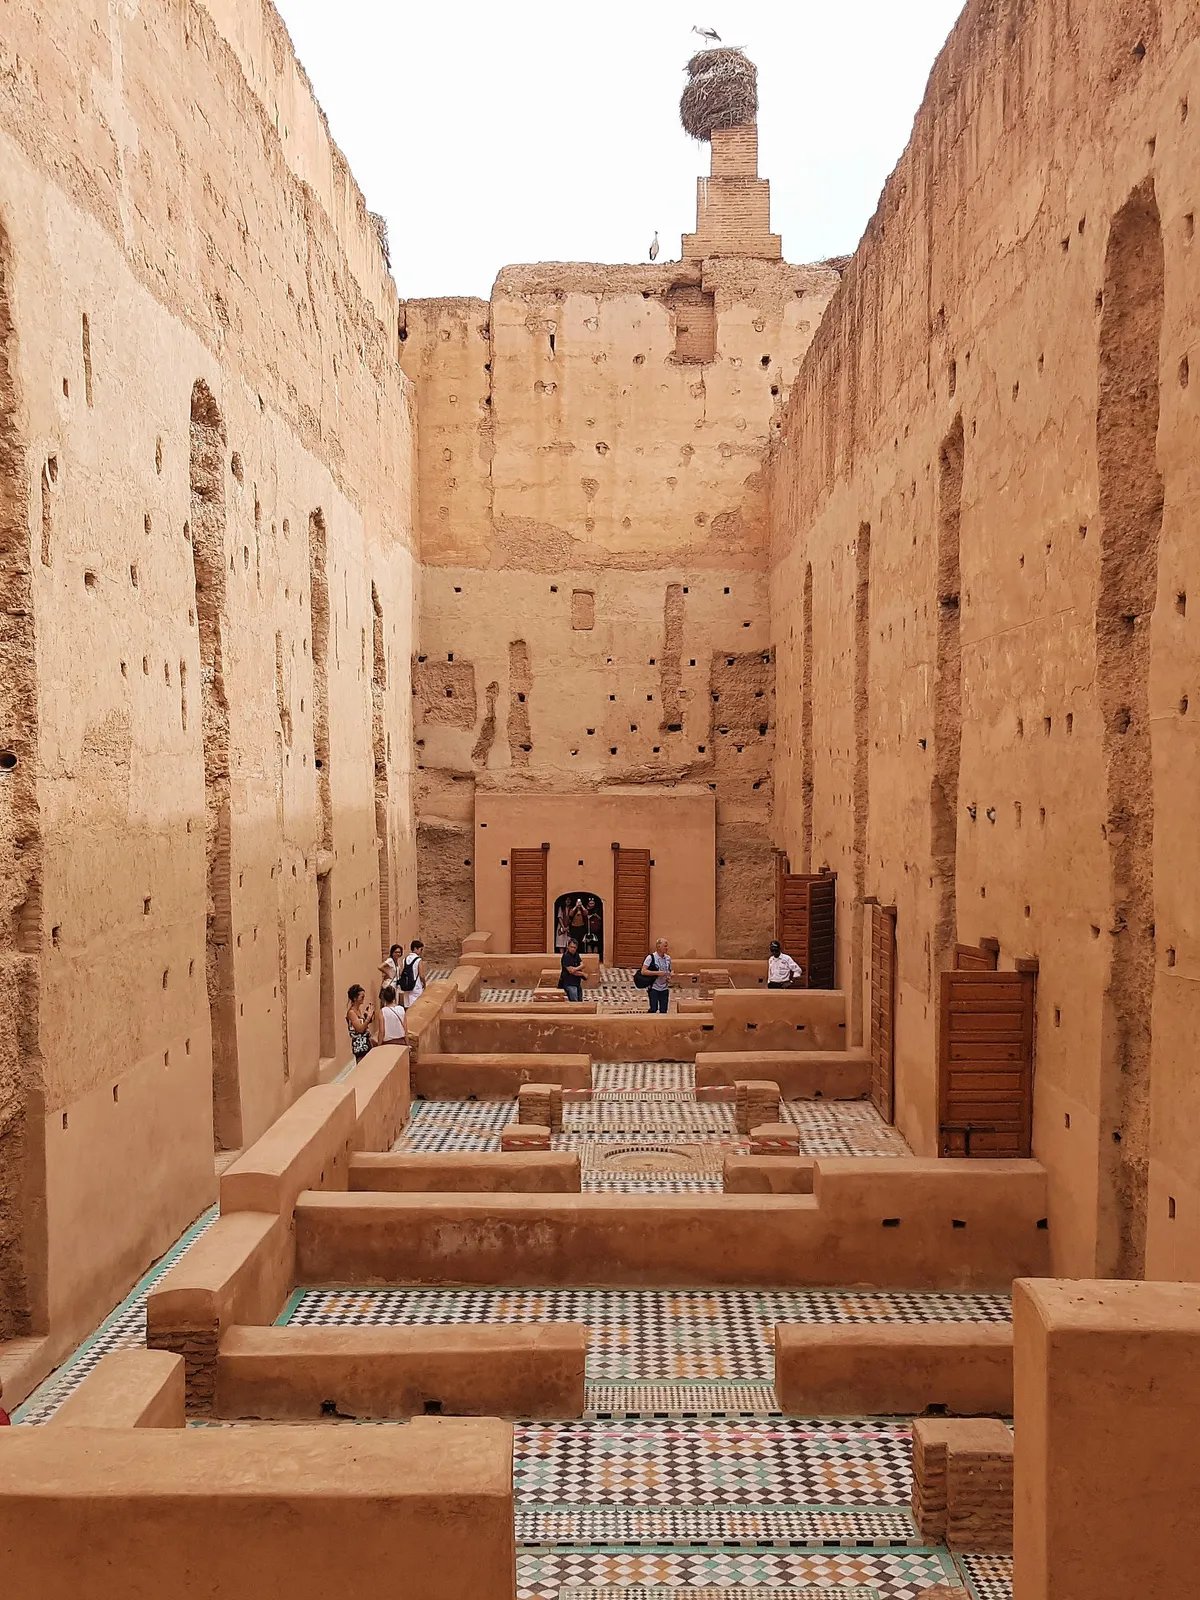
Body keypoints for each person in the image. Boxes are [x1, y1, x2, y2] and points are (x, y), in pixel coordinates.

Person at [641, 939, 672, 1014]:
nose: (666, 948)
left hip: (664, 987)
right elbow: (643, 971)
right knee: (653, 1009)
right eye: (665, 946)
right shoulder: (650, 957)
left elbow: (668, 970)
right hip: (654, 987)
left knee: (664, 1010)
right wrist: (657, 973)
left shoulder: (668, 958)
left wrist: (669, 975)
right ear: (658, 946)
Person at [345, 984, 375, 1063]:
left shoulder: (358, 1010)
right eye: (362, 997)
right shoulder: (351, 1012)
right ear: (355, 998)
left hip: (365, 1042)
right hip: (359, 1045)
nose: (363, 999)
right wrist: (368, 1017)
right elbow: (360, 1029)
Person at [398, 938, 425, 1008]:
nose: (421, 952)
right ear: (415, 948)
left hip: (406, 987)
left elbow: (400, 972)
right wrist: (424, 984)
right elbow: (421, 975)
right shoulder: (419, 960)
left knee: (407, 1006)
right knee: (416, 1006)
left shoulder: (404, 959)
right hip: (416, 986)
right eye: (420, 949)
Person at [560, 937, 586, 1002]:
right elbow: (571, 971)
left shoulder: (576, 955)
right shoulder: (566, 956)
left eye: (574, 947)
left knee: (580, 1001)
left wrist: (575, 968)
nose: (573, 949)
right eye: (571, 947)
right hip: (569, 983)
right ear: (568, 946)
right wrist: (582, 973)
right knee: (574, 1002)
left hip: (577, 983)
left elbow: (583, 965)